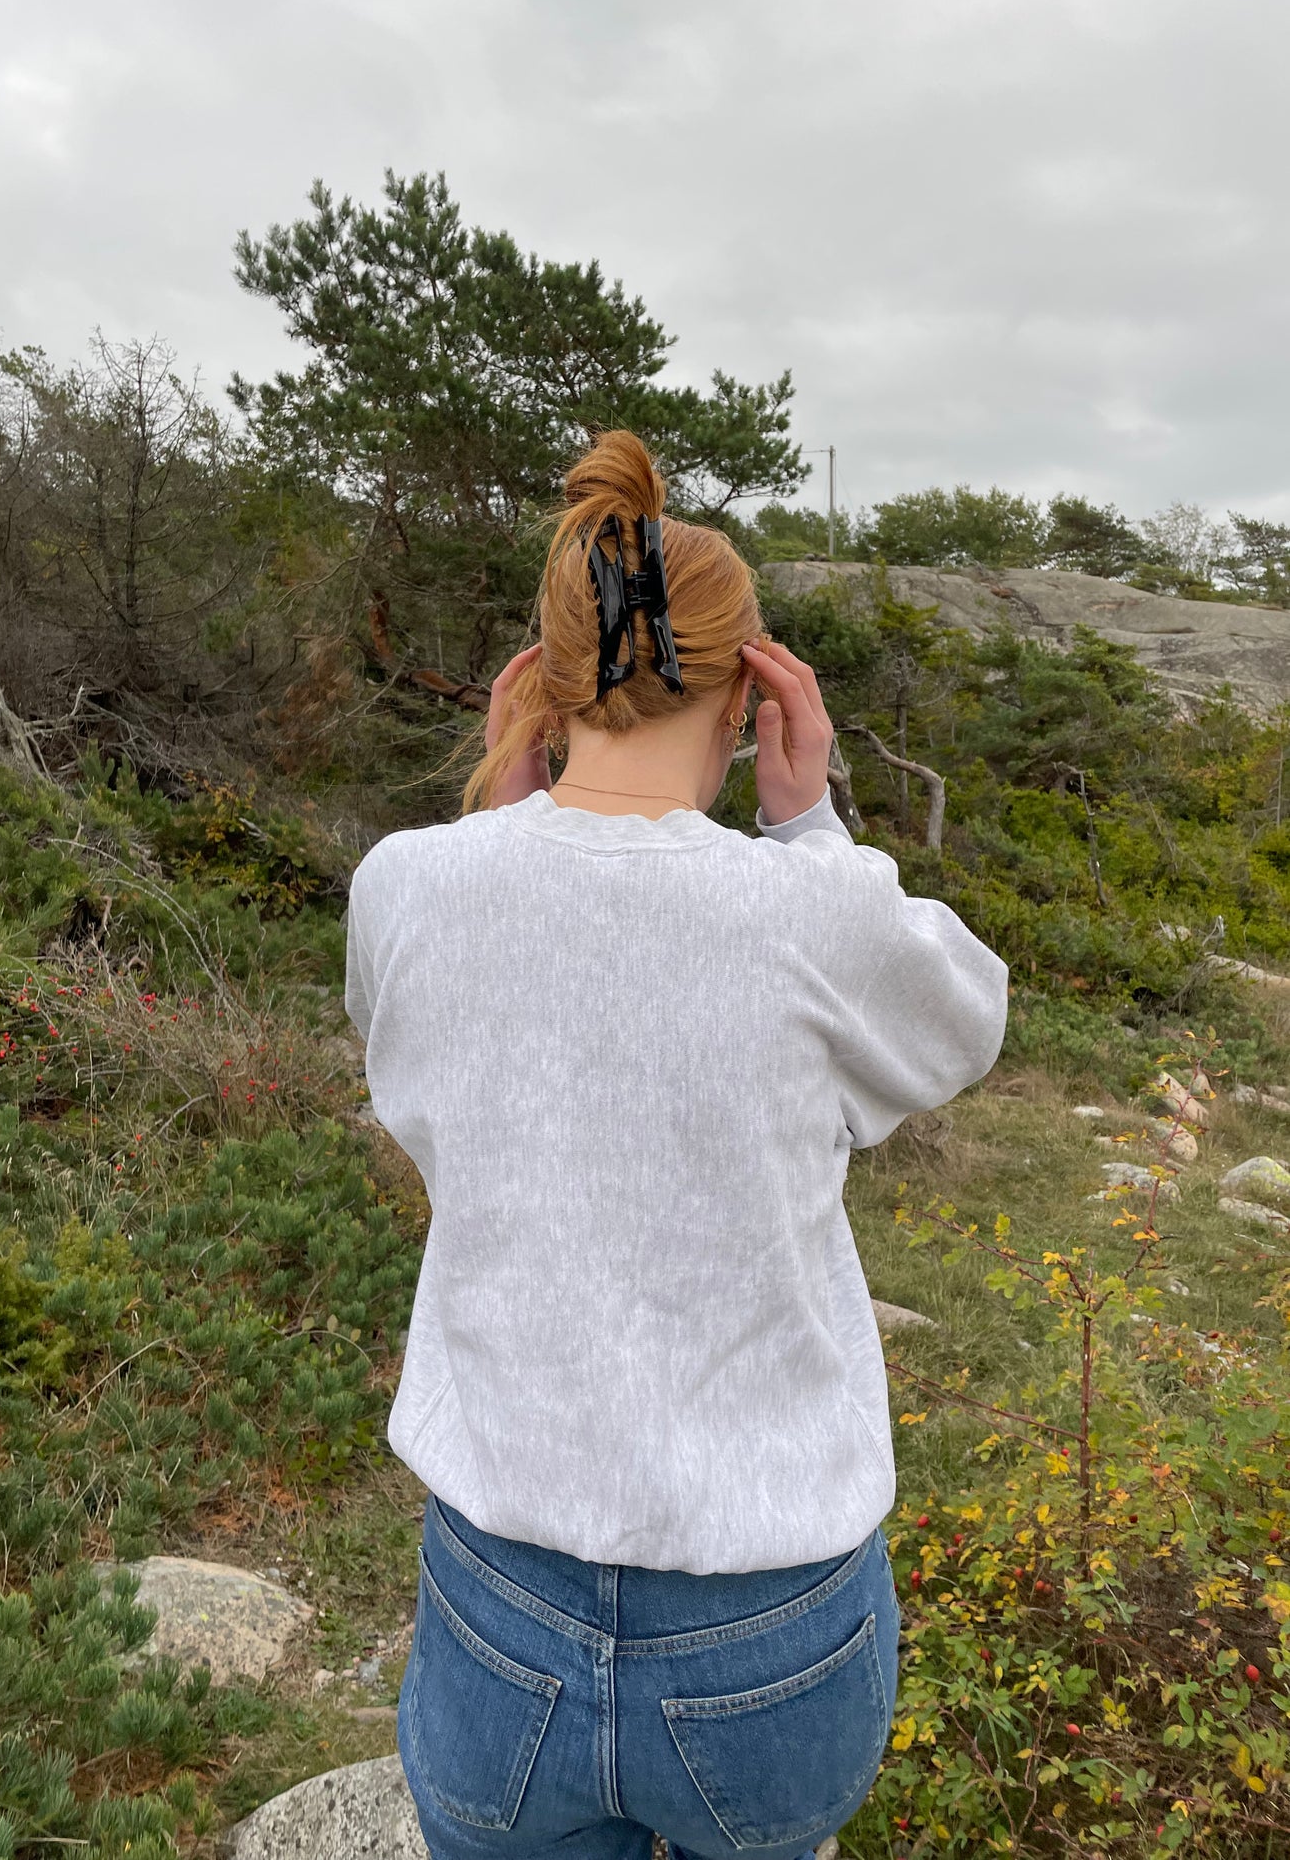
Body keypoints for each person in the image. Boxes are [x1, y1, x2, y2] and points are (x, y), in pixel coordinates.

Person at [343, 430, 1009, 1860]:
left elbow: (417, 1070)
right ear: (750, 692)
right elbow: (961, 1023)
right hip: (767, 1616)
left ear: (543, 676)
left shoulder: (407, 889)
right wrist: (809, 821)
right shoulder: (805, 914)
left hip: (498, 1593)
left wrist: (507, 800)